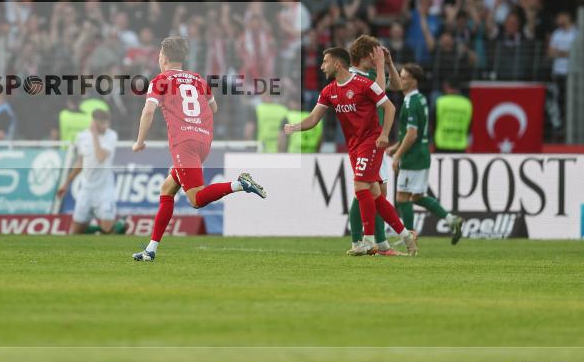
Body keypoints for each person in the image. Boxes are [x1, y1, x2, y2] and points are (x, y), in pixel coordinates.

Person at [130, 37, 266, 262]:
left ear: (164, 58)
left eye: (159, 55)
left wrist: (139, 141)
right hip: (203, 142)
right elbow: (214, 108)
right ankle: (151, 250)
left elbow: (148, 111)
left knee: (196, 199)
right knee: (167, 188)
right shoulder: (198, 79)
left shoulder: (160, 80)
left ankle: (240, 184)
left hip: (184, 144)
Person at [284, 47, 418, 256]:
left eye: (325, 61)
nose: (322, 66)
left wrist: (384, 134)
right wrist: (295, 127)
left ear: (337, 63)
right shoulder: (328, 91)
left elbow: (390, 107)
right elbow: (314, 119)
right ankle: (406, 235)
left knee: (360, 185)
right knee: (374, 193)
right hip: (354, 146)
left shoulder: (364, 84)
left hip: (371, 141)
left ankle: (368, 241)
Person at [389, 64, 464, 244]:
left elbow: (412, 134)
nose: (400, 80)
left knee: (402, 197)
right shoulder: (420, 99)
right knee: (417, 196)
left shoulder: (411, 102)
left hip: (413, 156)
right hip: (421, 153)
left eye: (404, 77)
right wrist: (396, 146)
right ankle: (451, 220)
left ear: (414, 82)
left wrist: (397, 155)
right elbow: (414, 132)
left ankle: (409, 237)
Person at [345, 35, 405, 257]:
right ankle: (371, 243)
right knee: (368, 191)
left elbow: (397, 86)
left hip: (375, 141)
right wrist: (380, 65)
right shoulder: (352, 76)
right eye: (375, 53)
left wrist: (388, 63)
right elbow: (379, 93)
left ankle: (373, 243)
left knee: (372, 192)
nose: (378, 56)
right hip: (365, 141)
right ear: (365, 55)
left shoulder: (370, 74)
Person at [56, 110, 125, 234]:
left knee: (109, 231)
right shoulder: (82, 137)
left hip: (104, 190)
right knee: (76, 233)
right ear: (94, 122)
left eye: (107, 123)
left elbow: (100, 157)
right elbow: (80, 163)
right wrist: (66, 184)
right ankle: (117, 226)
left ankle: (118, 226)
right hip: (86, 190)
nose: (106, 126)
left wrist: (94, 136)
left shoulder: (111, 135)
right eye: (102, 123)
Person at [433, 80, 472, 153]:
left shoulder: (440, 102)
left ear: (446, 87)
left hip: (441, 144)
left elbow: (433, 123)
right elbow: (470, 125)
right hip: (460, 145)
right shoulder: (467, 103)